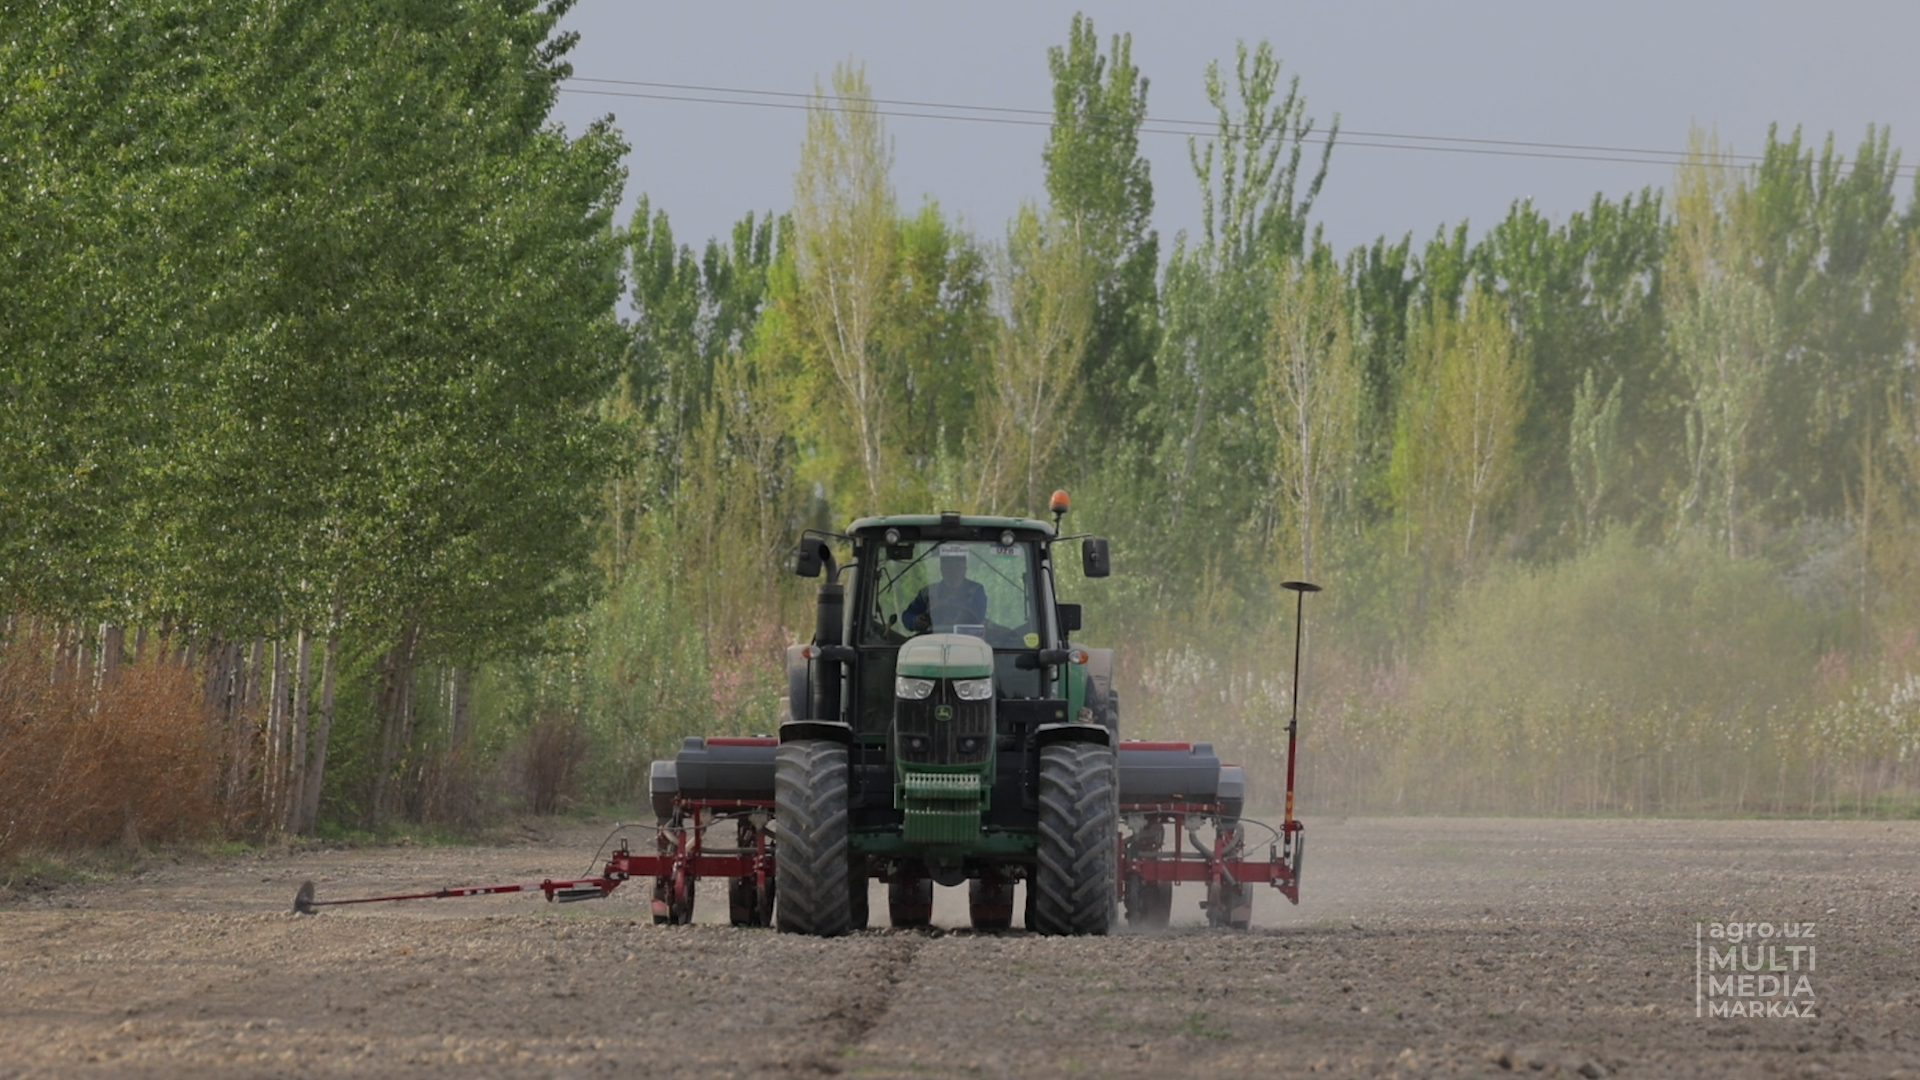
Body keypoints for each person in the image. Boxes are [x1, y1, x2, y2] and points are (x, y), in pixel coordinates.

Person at [902, 548, 987, 632]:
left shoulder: (976, 591)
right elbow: (907, 615)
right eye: (949, 568)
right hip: (931, 641)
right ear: (942, 570)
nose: (954, 572)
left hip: (966, 640)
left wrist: (945, 605)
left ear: (965, 569)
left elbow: (977, 614)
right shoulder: (928, 592)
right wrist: (915, 621)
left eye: (958, 567)